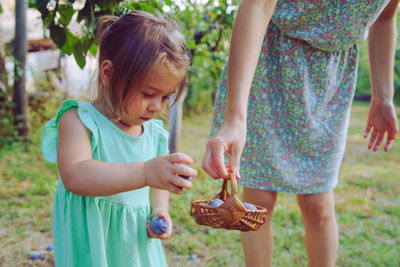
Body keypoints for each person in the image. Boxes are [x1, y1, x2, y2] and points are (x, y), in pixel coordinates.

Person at [202, 0, 399, 266]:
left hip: (329, 82)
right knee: (259, 200)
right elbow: (258, 5)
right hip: (269, 61)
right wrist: (236, 116)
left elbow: (385, 18)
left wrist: (383, 96)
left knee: (317, 205)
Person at [41, 11, 197, 267]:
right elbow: (76, 175)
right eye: (149, 94)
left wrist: (160, 210)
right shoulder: (79, 121)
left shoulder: (154, 134)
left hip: (133, 244)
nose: (157, 107)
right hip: (92, 243)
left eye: (166, 97)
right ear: (109, 73)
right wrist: (145, 172)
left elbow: (157, 185)